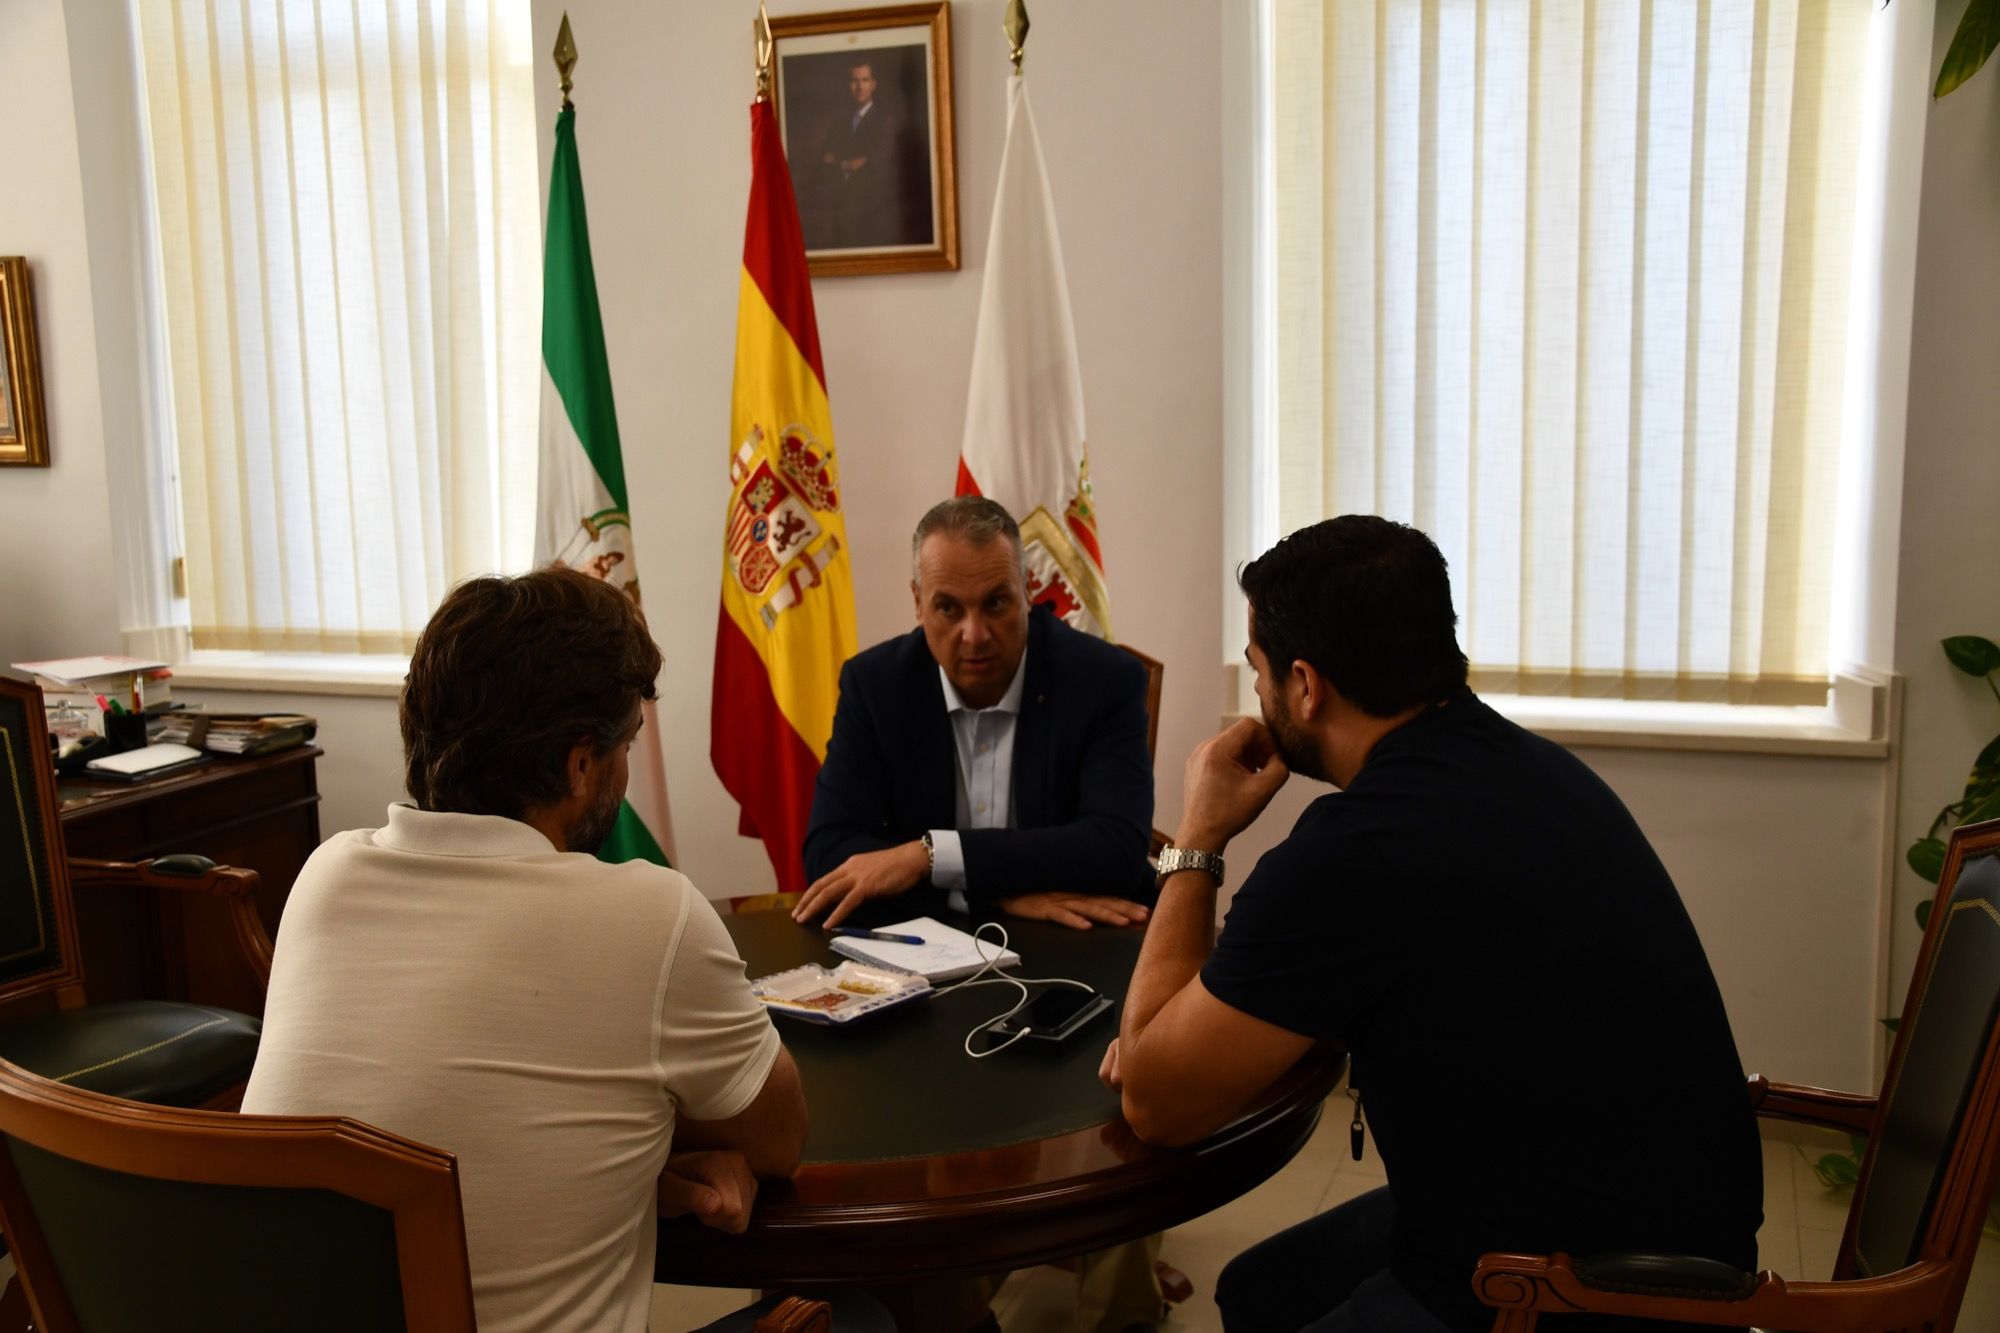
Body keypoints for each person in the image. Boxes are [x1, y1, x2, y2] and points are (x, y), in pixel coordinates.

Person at [1105, 516, 1763, 1333]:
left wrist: (1198, 836)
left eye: (1259, 671)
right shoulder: (1532, 766)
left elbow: (1156, 1104)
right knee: (1257, 1289)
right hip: (1683, 1231)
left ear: (1306, 685)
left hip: (1584, 1288)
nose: (1260, 694)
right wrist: (1193, 1030)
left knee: (1263, 1294)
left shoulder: (1355, 851)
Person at [243, 567, 879, 1333]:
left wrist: (621, 1155)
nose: (626, 768)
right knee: (864, 1317)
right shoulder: (650, 913)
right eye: (625, 744)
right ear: (581, 764)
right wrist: (647, 1142)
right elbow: (779, 1139)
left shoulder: (324, 877)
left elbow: (453, 1091)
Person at [796, 495, 1155, 931]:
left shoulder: (1103, 680)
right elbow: (829, 854)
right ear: (918, 601)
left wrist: (926, 856)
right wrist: (993, 896)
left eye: (996, 604)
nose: (975, 634)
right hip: (929, 955)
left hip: (1069, 945)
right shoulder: (875, 685)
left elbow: (1117, 850)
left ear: (1027, 590)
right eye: (948, 608)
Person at [808, 59, 916, 249]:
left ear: (873, 84)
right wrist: (850, 164)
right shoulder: (838, 125)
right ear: (848, 85)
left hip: (874, 217)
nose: (859, 87)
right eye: (854, 81)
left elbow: (874, 166)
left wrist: (839, 163)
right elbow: (820, 169)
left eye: (865, 80)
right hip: (842, 216)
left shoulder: (885, 122)